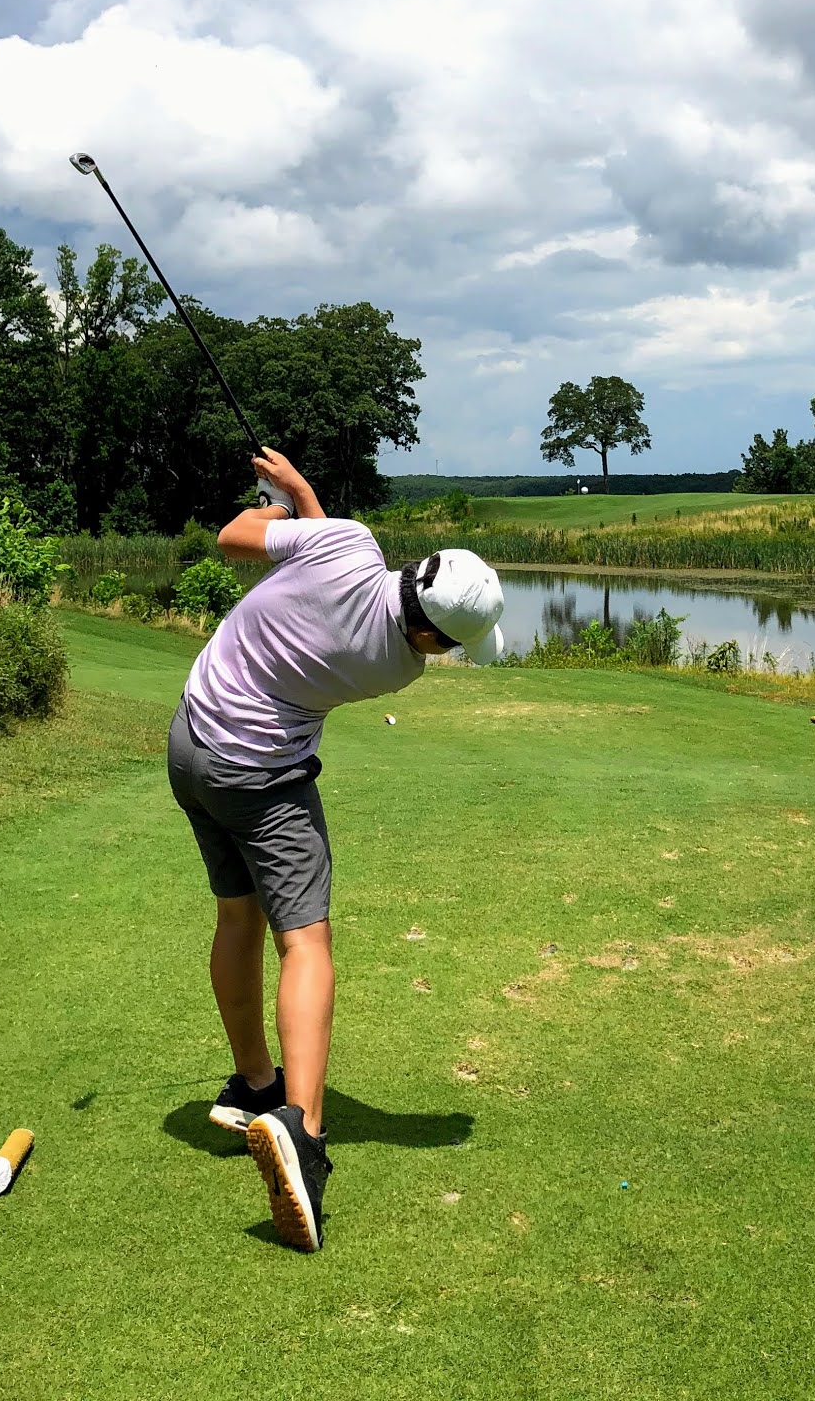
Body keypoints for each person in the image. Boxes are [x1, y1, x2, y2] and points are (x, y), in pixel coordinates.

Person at [166, 447, 505, 1253]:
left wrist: (282, 504)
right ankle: (303, 1134)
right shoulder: (397, 667)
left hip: (191, 745)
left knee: (237, 917)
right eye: (450, 645)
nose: (443, 656)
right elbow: (328, 580)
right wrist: (302, 500)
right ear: (429, 631)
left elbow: (236, 541)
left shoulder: (350, 545)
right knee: (306, 941)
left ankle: (255, 1086)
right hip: (263, 776)